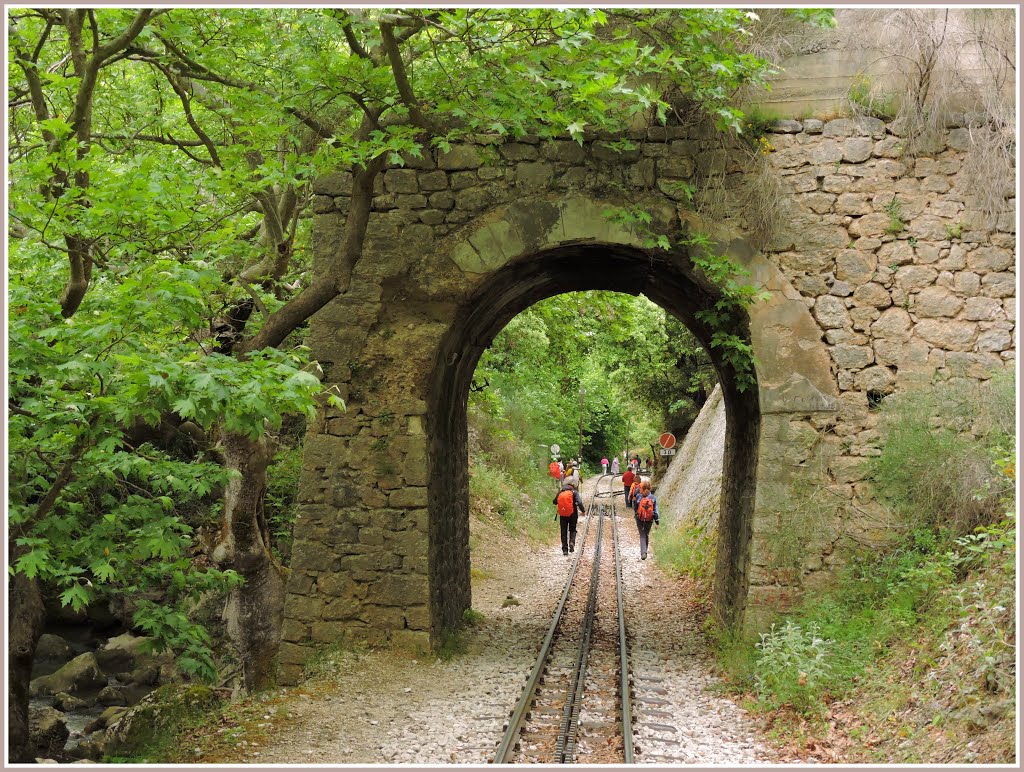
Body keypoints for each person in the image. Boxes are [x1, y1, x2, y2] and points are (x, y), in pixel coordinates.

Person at [553, 480, 584, 555]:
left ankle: (565, 550)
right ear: (573, 485)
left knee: (563, 531)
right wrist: (583, 511)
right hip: (573, 514)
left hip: (563, 514)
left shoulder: (561, 492)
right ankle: (572, 542)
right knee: (572, 529)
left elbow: (554, 502)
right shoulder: (574, 492)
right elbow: (579, 502)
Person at [632, 479, 660, 560]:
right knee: (646, 534)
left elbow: (635, 508)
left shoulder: (638, 497)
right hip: (649, 520)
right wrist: (657, 520)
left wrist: (636, 514)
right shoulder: (653, 498)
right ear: (650, 488)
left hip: (639, 519)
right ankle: (645, 551)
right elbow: (655, 511)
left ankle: (643, 552)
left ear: (642, 488)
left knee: (642, 535)